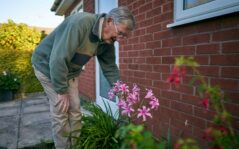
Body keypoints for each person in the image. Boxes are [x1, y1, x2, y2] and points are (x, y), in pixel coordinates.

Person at [31, 6, 136, 149]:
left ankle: (77, 145)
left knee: (75, 110)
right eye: (121, 33)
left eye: (124, 36)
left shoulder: (107, 42)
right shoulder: (80, 23)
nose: (119, 39)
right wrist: (61, 91)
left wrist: (122, 95)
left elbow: (110, 69)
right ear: (110, 21)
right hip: (47, 66)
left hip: (70, 71)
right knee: (61, 112)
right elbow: (58, 59)